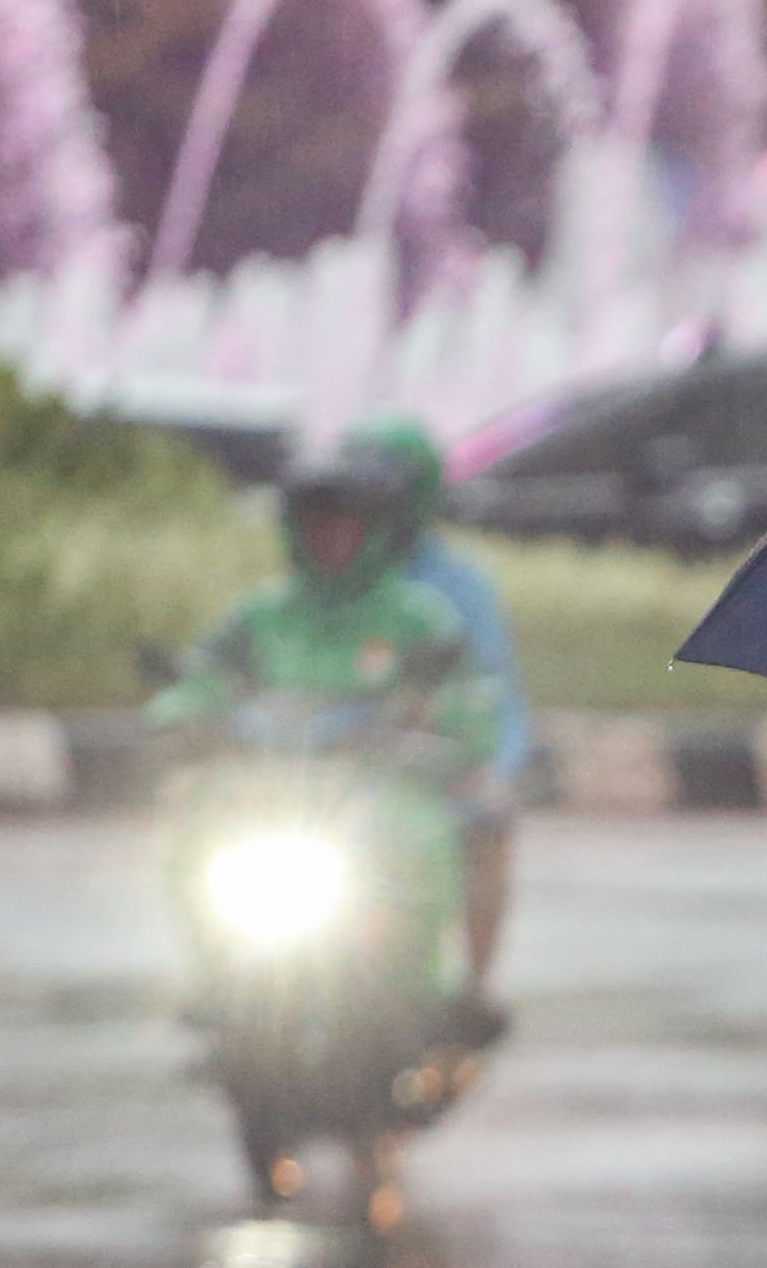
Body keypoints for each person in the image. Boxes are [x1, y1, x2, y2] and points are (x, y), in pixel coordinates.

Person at [149, 436, 505, 1034]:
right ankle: (215, 974)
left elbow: (467, 699)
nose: (332, 539)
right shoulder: (261, 615)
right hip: (274, 795)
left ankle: (431, 985)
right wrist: (182, 715)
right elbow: (202, 680)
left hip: (380, 793)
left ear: (374, 531)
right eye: (318, 524)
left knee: (452, 829)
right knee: (195, 821)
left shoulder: (419, 618)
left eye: (347, 525)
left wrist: (444, 727)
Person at [351, 416, 544, 996]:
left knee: (488, 829)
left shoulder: (460, 588)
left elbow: (498, 692)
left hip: (426, 767)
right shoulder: (319, 583)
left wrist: (496, 770)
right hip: (331, 766)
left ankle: (474, 988)